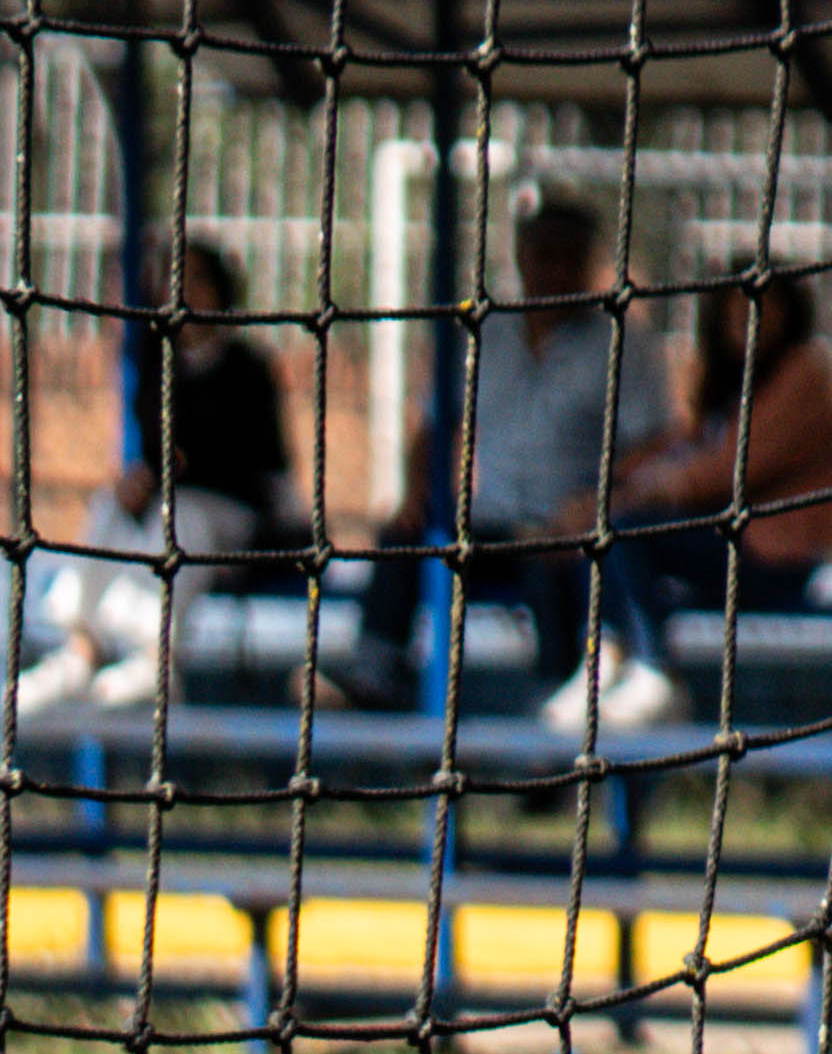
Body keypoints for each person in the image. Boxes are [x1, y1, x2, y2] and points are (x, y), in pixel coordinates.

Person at [350, 196, 645, 710]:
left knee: (554, 566)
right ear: (521, 257)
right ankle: (376, 670)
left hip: (570, 526)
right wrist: (419, 488)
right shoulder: (487, 332)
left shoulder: (620, 341)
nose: (554, 269)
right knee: (405, 535)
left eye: (567, 256)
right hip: (494, 518)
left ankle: (554, 711)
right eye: (542, 254)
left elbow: (655, 442)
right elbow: (436, 421)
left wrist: (599, 502)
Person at [12, 237, 310, 715]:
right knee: (111, 508)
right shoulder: (156, 359)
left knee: (180, 518)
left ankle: (157, 661)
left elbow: (264, 465)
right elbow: (154, 449)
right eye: (176, 281)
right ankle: (82, 650)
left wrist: (185, 471)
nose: (185, 292)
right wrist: (143, 481)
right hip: (171, 503)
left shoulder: (247, 367)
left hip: (235, 515)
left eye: (197, 280)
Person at [561, 264, 832, 735]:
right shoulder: (731, 381)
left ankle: (654, 672)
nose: (746, 322)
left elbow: (725, 470)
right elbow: (684, 444)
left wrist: (633, 493)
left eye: (760, 309)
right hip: (731, 543)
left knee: (625, 532)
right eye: (733, 312)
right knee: (600, 536)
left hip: (774, 557)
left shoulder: (803, 374)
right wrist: (604, 489)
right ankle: (604, 660)